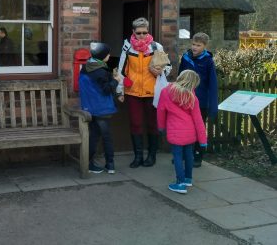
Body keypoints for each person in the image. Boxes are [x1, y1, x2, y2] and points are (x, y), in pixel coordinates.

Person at [118, 17, 171, 168]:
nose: (142, 36)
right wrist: (120, 90)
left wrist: (161, 71)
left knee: (153, 124)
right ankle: (138, 157)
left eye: (144, 32)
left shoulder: (156, 47)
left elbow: (168, 67)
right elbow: (122, 70)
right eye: (139, 33)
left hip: (152, 92)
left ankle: (152, 156)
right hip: (133, 92)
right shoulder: (128, 47)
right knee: (135, 124)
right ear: (133, 32)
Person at [157, 70, 207, 194]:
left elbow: (161, 111)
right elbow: (198, 120)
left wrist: (161, 126)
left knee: (178, 157)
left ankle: (180, 184)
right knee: (189, 155)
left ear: (180, 77)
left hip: (175, 132)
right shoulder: (192, 97)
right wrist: (203, 140)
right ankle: (188, 179)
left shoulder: (165, 92)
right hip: (190, 133)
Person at [79, 42, 121, 174]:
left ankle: (89, 162)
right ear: (103, 55)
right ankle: (110, 164)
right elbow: (106, 89)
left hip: (89, 107)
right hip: (102, 109)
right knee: (106, 137)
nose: (109, 55)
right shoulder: (101, 71)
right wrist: (116, 80)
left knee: (94, 136)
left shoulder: (86, 67)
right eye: (107, 53)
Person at [178, 32, 218, 168]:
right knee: (185, 127)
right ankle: (184, 155)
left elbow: (213, 84)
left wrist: (213, 106)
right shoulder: (185, 58)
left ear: (205, 46)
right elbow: (179, 78)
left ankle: (198, 156)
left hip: (201, 101)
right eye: (193, 44)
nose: (195, 47)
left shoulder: (208, 61)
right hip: (185, 100)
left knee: (198, 128)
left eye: (198, 45)